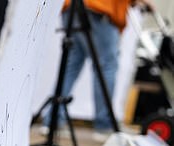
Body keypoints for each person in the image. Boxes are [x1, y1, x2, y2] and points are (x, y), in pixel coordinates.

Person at [44, 0, 154, 138]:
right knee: (107, 66)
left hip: (71, 8)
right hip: (100, 9)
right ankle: (104, 125)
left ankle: (52, 121)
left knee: (71, 67)